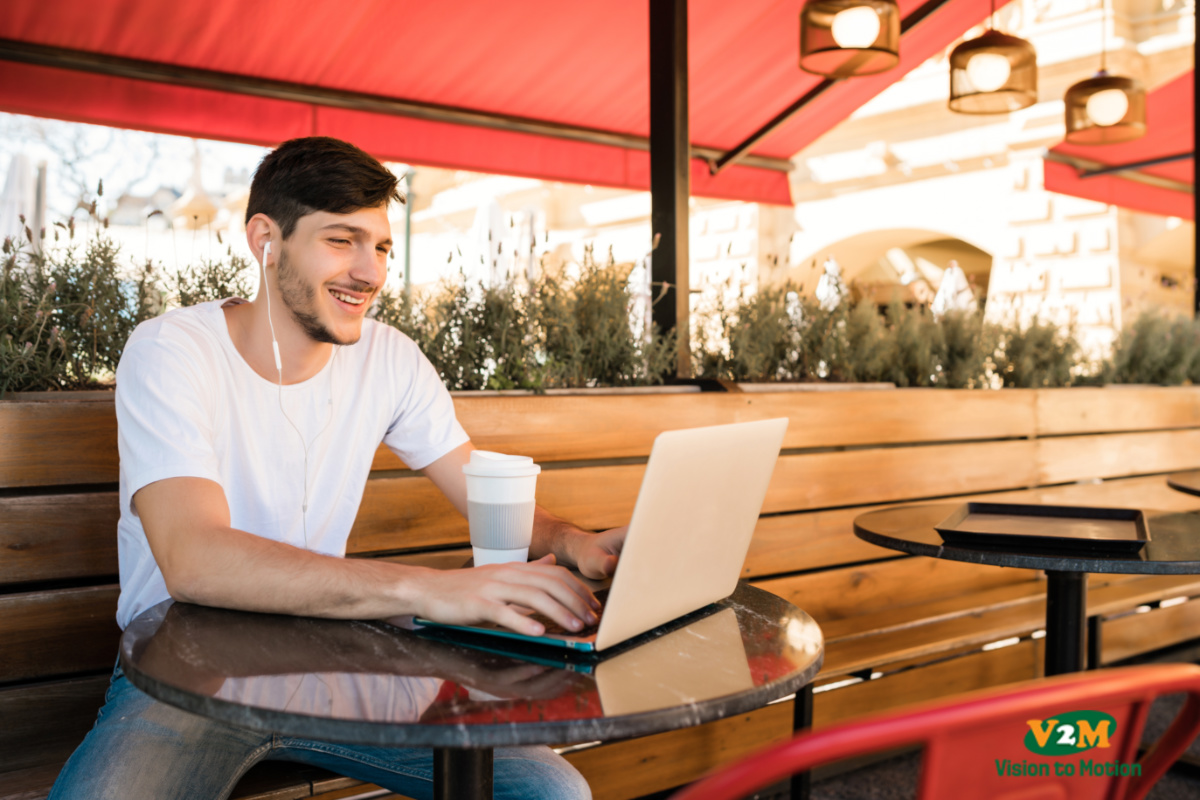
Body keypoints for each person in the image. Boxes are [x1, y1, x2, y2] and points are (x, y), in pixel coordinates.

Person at [49, 136, 624, 800]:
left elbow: (479, 490)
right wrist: (426, 590)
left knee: (552, 792)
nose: (370, 271)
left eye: (380, 246)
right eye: (341, 241)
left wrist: (571, 541)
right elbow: (195, 559)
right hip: (184, 675)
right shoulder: (171, 351)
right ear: (265, 239)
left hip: (334, 660)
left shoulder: (390, 358)